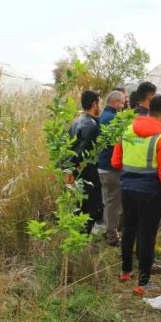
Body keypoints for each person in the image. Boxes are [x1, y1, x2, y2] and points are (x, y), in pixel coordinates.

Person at [112, 88, 161, 295]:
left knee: (128, 230)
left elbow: (115, 161)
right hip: (150, 193)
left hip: (127, 189)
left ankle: (125, 271)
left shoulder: (127, 130)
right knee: (147, 235)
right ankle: (143, 283)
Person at [68, 90, 103, 235]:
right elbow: (82, 151)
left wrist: (69, 169)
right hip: (87, 173)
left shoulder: (77, 120)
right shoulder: (90, 125)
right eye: (100, 102)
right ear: (94, 104)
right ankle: (83, 237)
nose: (101, 106)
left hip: (77, 172)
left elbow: (68, 147)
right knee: (91, 207)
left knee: (80, 205)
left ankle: (79, 236)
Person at [97, 90, 127, 246]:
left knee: (108, 201)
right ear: (115, 102)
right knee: (114, 203)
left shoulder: (102, 116)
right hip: (111, 167)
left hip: (102, 166)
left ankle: (108, 231)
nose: (123, 106)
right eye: (122, 103)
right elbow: (118, 144)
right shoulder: (113, 119)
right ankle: (112, 236)